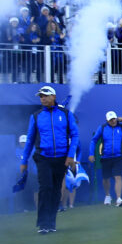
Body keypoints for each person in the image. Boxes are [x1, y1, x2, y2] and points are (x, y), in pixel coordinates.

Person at [20, 86, 79, 234]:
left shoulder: (66, 114)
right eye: (41, 96)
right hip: (43, 157)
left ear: (53, 96)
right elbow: (29, 140)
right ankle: (43, 224)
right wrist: (24, 161)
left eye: (45, 96)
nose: (43, 98)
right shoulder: (36, 116)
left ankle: (51, 223)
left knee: (56, 191)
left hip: (61, 159)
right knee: (45, 188)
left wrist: (70, 155)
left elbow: (75, 135)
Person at [89, 111, 122, 207]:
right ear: (107, 120)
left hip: (118, 157)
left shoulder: (121, 127)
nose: (113, 121)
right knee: (105, 178)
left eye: (114, 119)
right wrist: (91, 154)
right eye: (110, 120)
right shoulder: (102, 128)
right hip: (105, 157)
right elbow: (94, 140)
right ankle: (107, 195)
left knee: (118, 176)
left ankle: (119, 199)